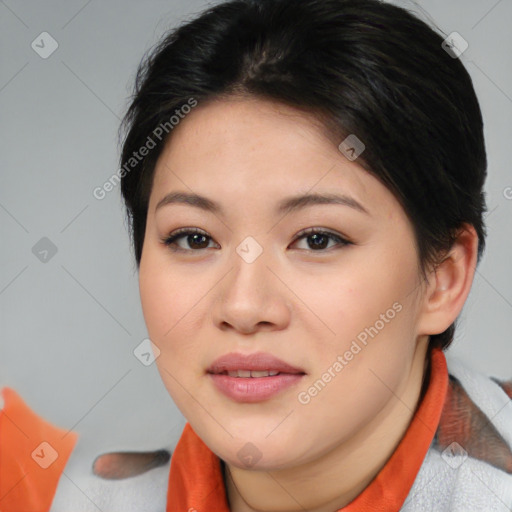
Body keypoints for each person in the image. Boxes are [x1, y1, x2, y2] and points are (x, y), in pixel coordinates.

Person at [1, 0, 511, 510]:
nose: (244, 307)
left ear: (443, 278)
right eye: (194, 238)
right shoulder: (58, 492)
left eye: (318, 239)